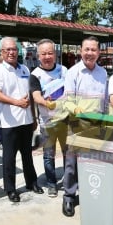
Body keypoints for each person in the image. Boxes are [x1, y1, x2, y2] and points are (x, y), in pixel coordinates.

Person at [0, 37, 44, 203]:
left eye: (14, 49)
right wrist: (16, 102)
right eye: (8, 50)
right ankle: (11, 189)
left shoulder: (25, 70)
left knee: (27, 155)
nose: (12, 52)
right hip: (9, 123)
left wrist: (34, 117)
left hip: (26, 120)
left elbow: (32, 95)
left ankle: (31, 182)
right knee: (9, 157)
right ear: (2, 52)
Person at [61, 36, 108, 217]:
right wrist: (76, 109)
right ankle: (69, 196)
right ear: (81, 51)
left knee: (94, 162)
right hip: (77, 124)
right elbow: (67, 101)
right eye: (86, 49)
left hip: (97, 125)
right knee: (72, 162)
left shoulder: (103, 73)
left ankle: (91, 193)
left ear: (98, 52)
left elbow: (104, 101)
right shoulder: (73, 72)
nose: (90, 53)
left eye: (93, 50)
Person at [29, 39, 69, 198]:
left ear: (55, 54)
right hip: (47, 122)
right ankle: (52, 184)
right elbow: (36, 96)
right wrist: (46, 103)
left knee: (68, 153)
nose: (47, 56)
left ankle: (69, 181)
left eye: (50, 53)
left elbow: (70, 90)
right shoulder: (35, 75)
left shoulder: (63, 70)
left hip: (65, 120)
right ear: (38, 56)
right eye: (43, 53)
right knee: (48, 155)